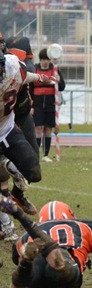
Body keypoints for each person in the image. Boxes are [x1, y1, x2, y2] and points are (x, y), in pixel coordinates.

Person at [2, 198, 92, 288]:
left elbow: (14, 258)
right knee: (63, 265)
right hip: (66, 270)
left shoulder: (22, 238)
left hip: (38, 264)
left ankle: (26, 264)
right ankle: (56, 257)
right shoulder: (83, 227)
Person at [0, 49, 50, 216]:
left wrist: (39, 78)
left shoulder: (12, 64)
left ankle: (17, 195)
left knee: (34, 172)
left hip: (7, 129)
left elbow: (24, 75)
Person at [30, 48, 65, 162]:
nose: (45, 62)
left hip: (51, 103)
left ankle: (45, 154)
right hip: (38, 103)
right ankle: (36, 154)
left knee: (48, 129)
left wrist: (59, 81)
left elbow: (62, 87)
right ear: (40, 60)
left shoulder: (54, 69)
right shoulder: (34, 69)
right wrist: (31, 105)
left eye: (47, 60)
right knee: (38, 128)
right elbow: (30, 88)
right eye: (43, 59)